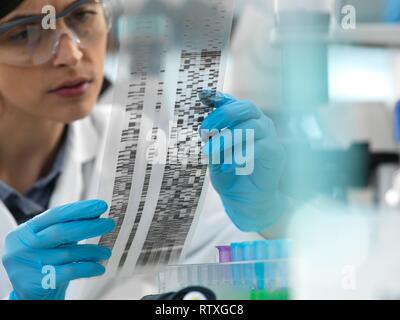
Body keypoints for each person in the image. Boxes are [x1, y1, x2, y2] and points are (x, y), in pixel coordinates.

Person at [0, 0, 290, 300]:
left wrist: (269, 216)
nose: (71, 54)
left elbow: (263, 275)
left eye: (81, 16)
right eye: (24, 33)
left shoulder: (141, 149)